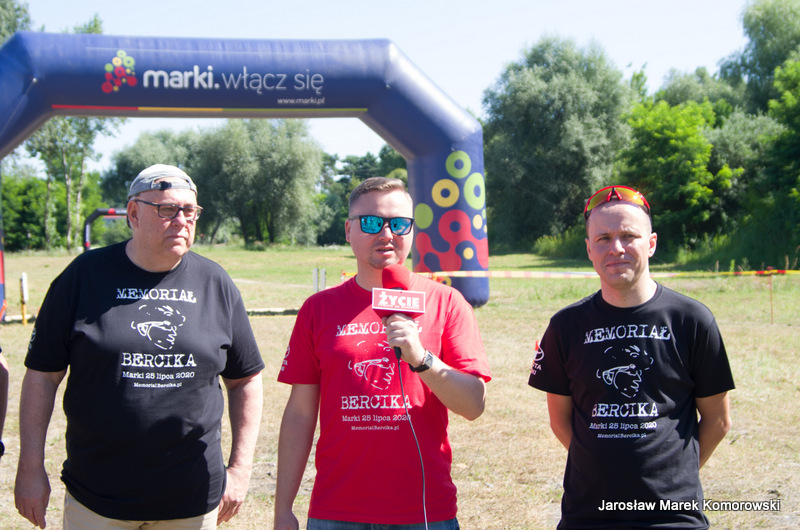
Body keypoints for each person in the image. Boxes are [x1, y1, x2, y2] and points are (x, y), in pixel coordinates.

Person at [14, 164, 265, 529]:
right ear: (133, 213)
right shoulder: (83, 276)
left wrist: (240, 469)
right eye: (167, 209)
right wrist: (30, 468)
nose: (181, 221)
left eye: (189, 211)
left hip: (192, 498)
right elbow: (42, 376)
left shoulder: (215, 282)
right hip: (98, 498)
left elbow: (245, 380)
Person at [274, 177, 491, 530]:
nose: (387, 234)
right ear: (349, 230)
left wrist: (421, 358)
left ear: (412, 230)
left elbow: (473, 405)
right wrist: (283, 509)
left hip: (424, 512)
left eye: (399, 223)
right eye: (372, 222)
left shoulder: (447, 302)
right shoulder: (318, 309)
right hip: (336, 511)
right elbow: (300, 414)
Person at [528, 185, 735, 529]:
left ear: (651, 243)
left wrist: (673, 475)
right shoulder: (566, 326)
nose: (616, 248)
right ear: (589, 249)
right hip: (587, 516)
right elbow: (560, 421)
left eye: (628, 236)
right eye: (603, 238)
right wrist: (603, 471)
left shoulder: (692, 320)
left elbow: (718, 420)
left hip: (672, 519)